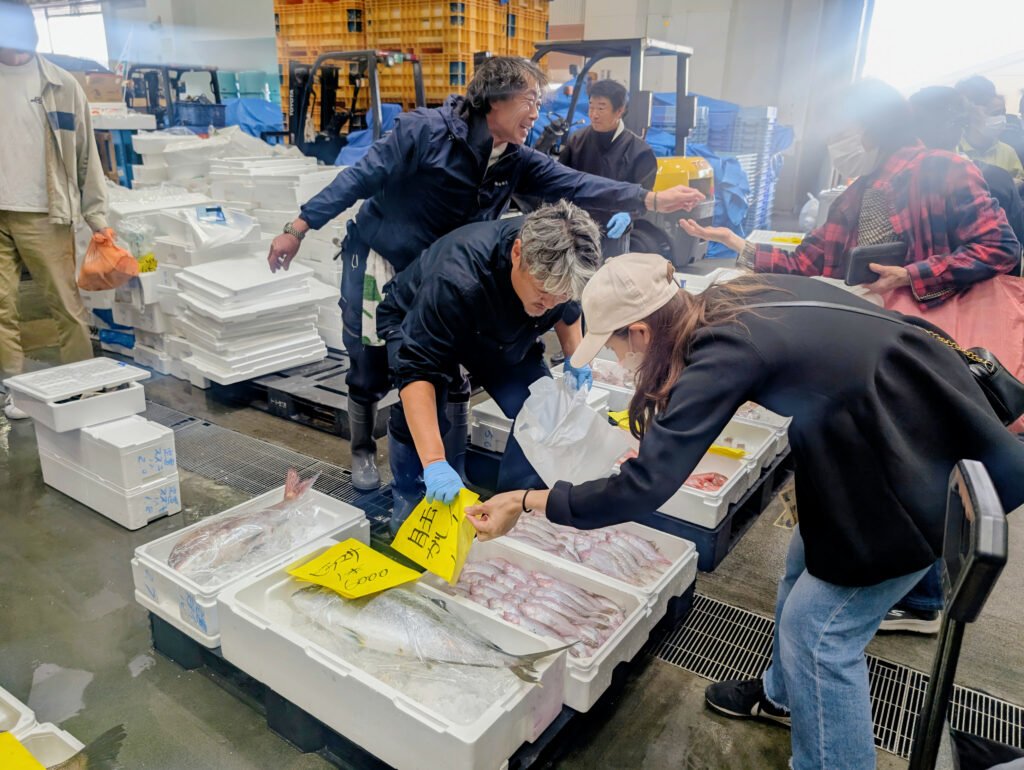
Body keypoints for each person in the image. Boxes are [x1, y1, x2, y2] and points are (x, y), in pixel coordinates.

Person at [466, 253, 1024, 770]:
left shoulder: (726, 349)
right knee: (801, 565)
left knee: (820, 635)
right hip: (881, 442)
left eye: (615, 346)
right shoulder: (733, 298)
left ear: (639, 330)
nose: (620, 358)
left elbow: (641, 490)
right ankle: (784, 698)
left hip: (915, 469)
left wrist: (525, 500)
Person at [266, 57, 704, 492]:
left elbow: (574, 183)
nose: (536, 112)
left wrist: (648, 200)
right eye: (529, 99)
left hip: (450, 273)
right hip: (386, 256)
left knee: (446, 370)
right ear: (494, 99)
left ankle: (448, 464)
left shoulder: (514, 158)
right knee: (374, 365)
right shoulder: (424, 131)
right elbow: (359, 178)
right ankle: (363, 447)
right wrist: (299, 226)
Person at [680, 79, 1019, 307]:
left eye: (841, 131)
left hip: (938, 332)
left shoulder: (943, 169)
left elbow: (1000, 248)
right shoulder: (859, 190)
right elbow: (806, 261)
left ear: (872, 130)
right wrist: (735, 243)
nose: (835, 143)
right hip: (877, 327)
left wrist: (911, 275)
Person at [377, 201, 600, 533]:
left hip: (498, 327)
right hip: (418, 314)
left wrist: (576, 356)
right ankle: (410, 503)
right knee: (426, 417)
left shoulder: (561, 260)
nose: (550, 303)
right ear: (517, 253)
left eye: (561, 294)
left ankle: (510, 508)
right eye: (543, 293)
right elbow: (417, 369)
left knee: (542, 410)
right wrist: (435, 462)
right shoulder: (456, 278)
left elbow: (568, 310)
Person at [0, 0, 108, 419]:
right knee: (1, 308)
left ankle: (84, 386)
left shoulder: (60, 85)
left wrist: (97, 218)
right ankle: (16, 390)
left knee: (65, 305)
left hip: (44, 212)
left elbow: (86, 158)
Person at [910, 85, 1023, 275]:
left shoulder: (897, 177)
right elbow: (1009, 246)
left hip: (913, 290)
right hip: (981, 291)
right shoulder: (995, 178)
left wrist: (911, 275)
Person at [558, 79, 659, 257]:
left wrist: (628, 215)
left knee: (609, 279)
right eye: (591, 107)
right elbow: (559, 180)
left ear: (620, 111)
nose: (594, 114)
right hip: (576, 231)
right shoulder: (576, 142)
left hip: (614, 233)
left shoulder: (640, 151)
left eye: (601, 108)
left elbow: (644, 196)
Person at [955, 75, 1024, 186]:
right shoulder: (955, 152)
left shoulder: (1007, 151)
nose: (1002, 119)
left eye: (1003, 113)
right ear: (971, 114)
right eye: (995, 114)